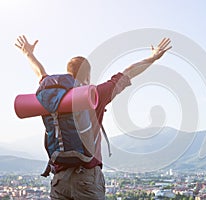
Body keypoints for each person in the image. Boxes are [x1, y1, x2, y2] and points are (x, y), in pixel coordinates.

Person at [15, 35, 172, 200]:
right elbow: (128, 73)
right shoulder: (94, 95)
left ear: (69, 73)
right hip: (86, 178)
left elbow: (40, 73)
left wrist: (28, 54)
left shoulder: (50, 95)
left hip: (59, 180)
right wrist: (153, 57)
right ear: (87, 76)